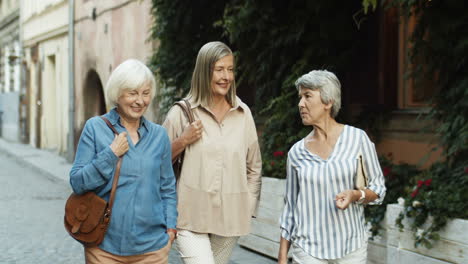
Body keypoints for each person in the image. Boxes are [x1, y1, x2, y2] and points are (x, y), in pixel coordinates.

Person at [162, 41, 262, 264]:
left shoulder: (243, 113)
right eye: (219, 70)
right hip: (190, 217)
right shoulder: (181, 113)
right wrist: (182, 140)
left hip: (231, 220)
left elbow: (253, 166)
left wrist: (248, 206)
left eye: (230, 69)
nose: (226, 76)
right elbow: (155, 163)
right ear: (204, 72)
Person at [69, 59, 177, 264]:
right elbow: (77, 182)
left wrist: (170, 229)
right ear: (118, 93)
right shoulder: (95, 128)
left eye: (145, 93)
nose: (140, 101)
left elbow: (167, 188)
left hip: (152, 249)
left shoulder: (159, 136)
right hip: (103, 248)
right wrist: (110, 154)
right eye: (132, 93)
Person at [277, 70, 386, 264]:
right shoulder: (296, 153)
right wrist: (283, 255)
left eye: (308, 96)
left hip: (351, 246)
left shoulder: (357, 139)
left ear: (328, 102)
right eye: (300, 97)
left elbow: (378, 189)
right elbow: (291, 207)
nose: (300, 104)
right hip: (307, 248)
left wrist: (356, 195)